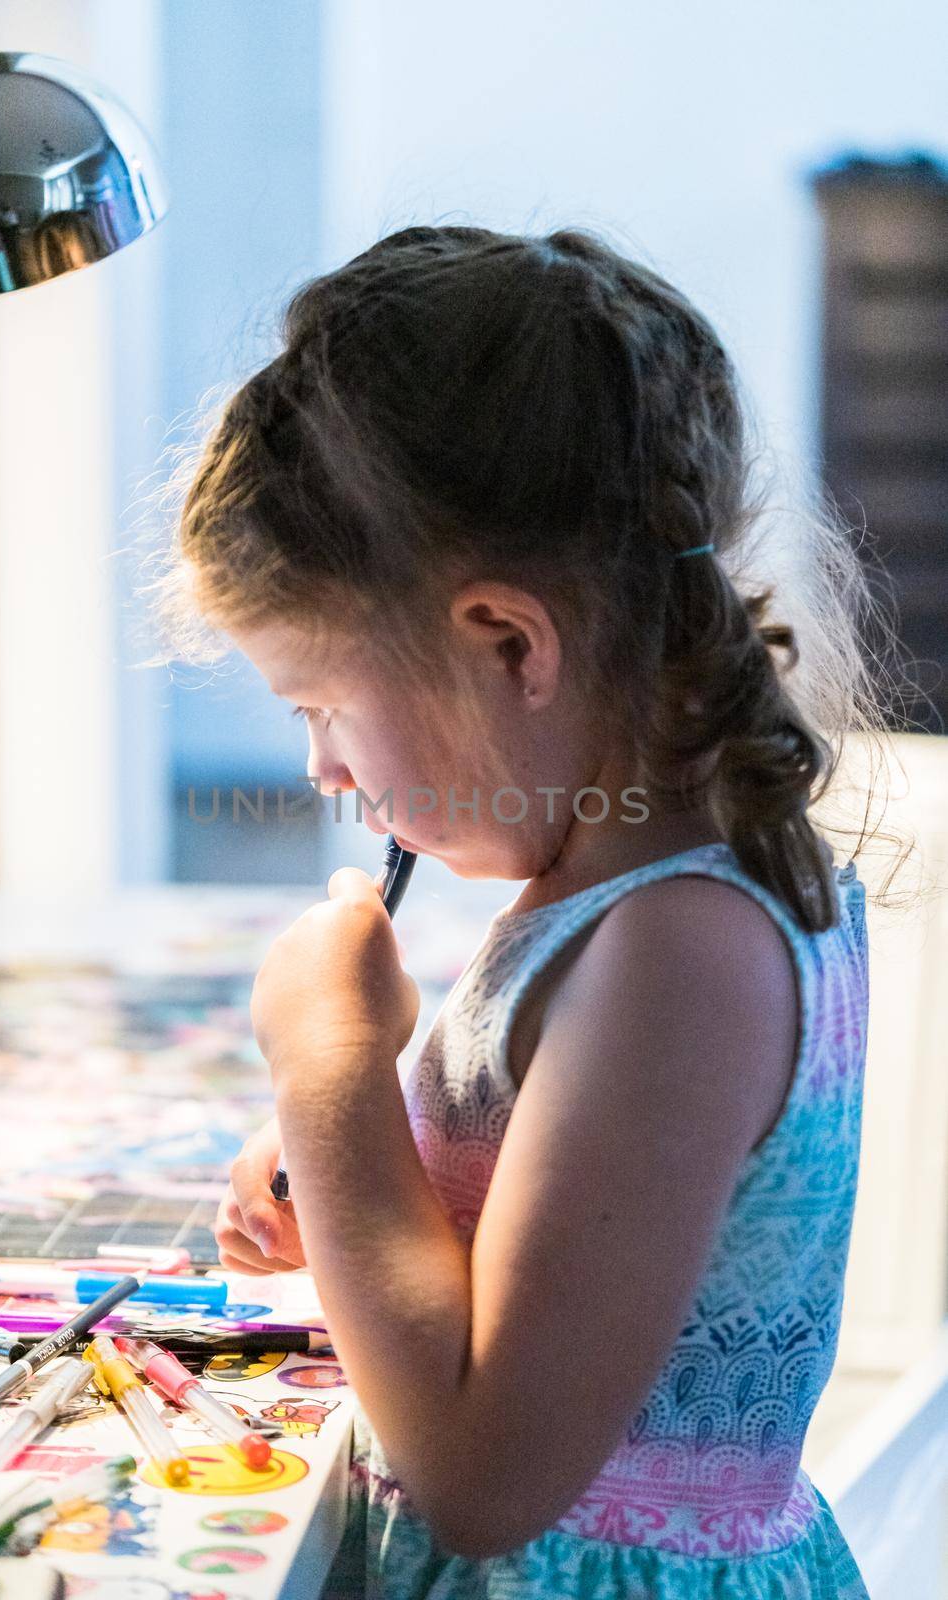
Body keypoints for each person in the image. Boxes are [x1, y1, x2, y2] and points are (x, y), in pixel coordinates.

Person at [155, 225, 903, 1597]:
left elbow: (488, 1473)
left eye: (324, 706)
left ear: (507, 644)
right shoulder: (618, 886)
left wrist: (329, 1077)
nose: (319, 767)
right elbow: (538, 1253)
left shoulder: (686, 954)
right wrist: (357, 1177)